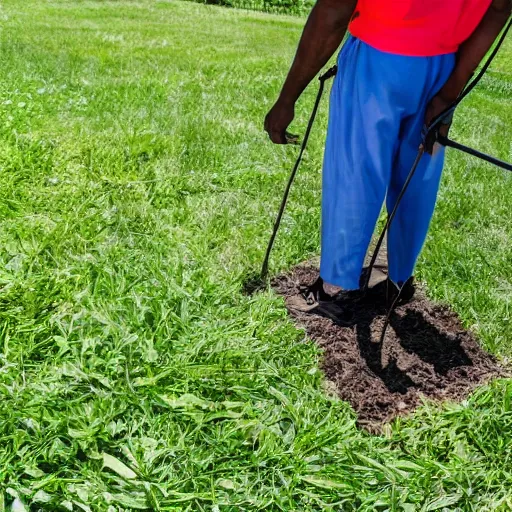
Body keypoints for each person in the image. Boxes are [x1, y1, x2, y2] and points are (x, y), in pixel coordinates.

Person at [264, 0, 511, 305]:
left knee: (356, 170)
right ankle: (399, 281)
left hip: (377, 58)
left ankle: (336, 290)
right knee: (418, 172)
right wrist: (451, 88)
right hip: (444, 68)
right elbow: (500, 7)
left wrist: (287, 98)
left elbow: (333, 9)